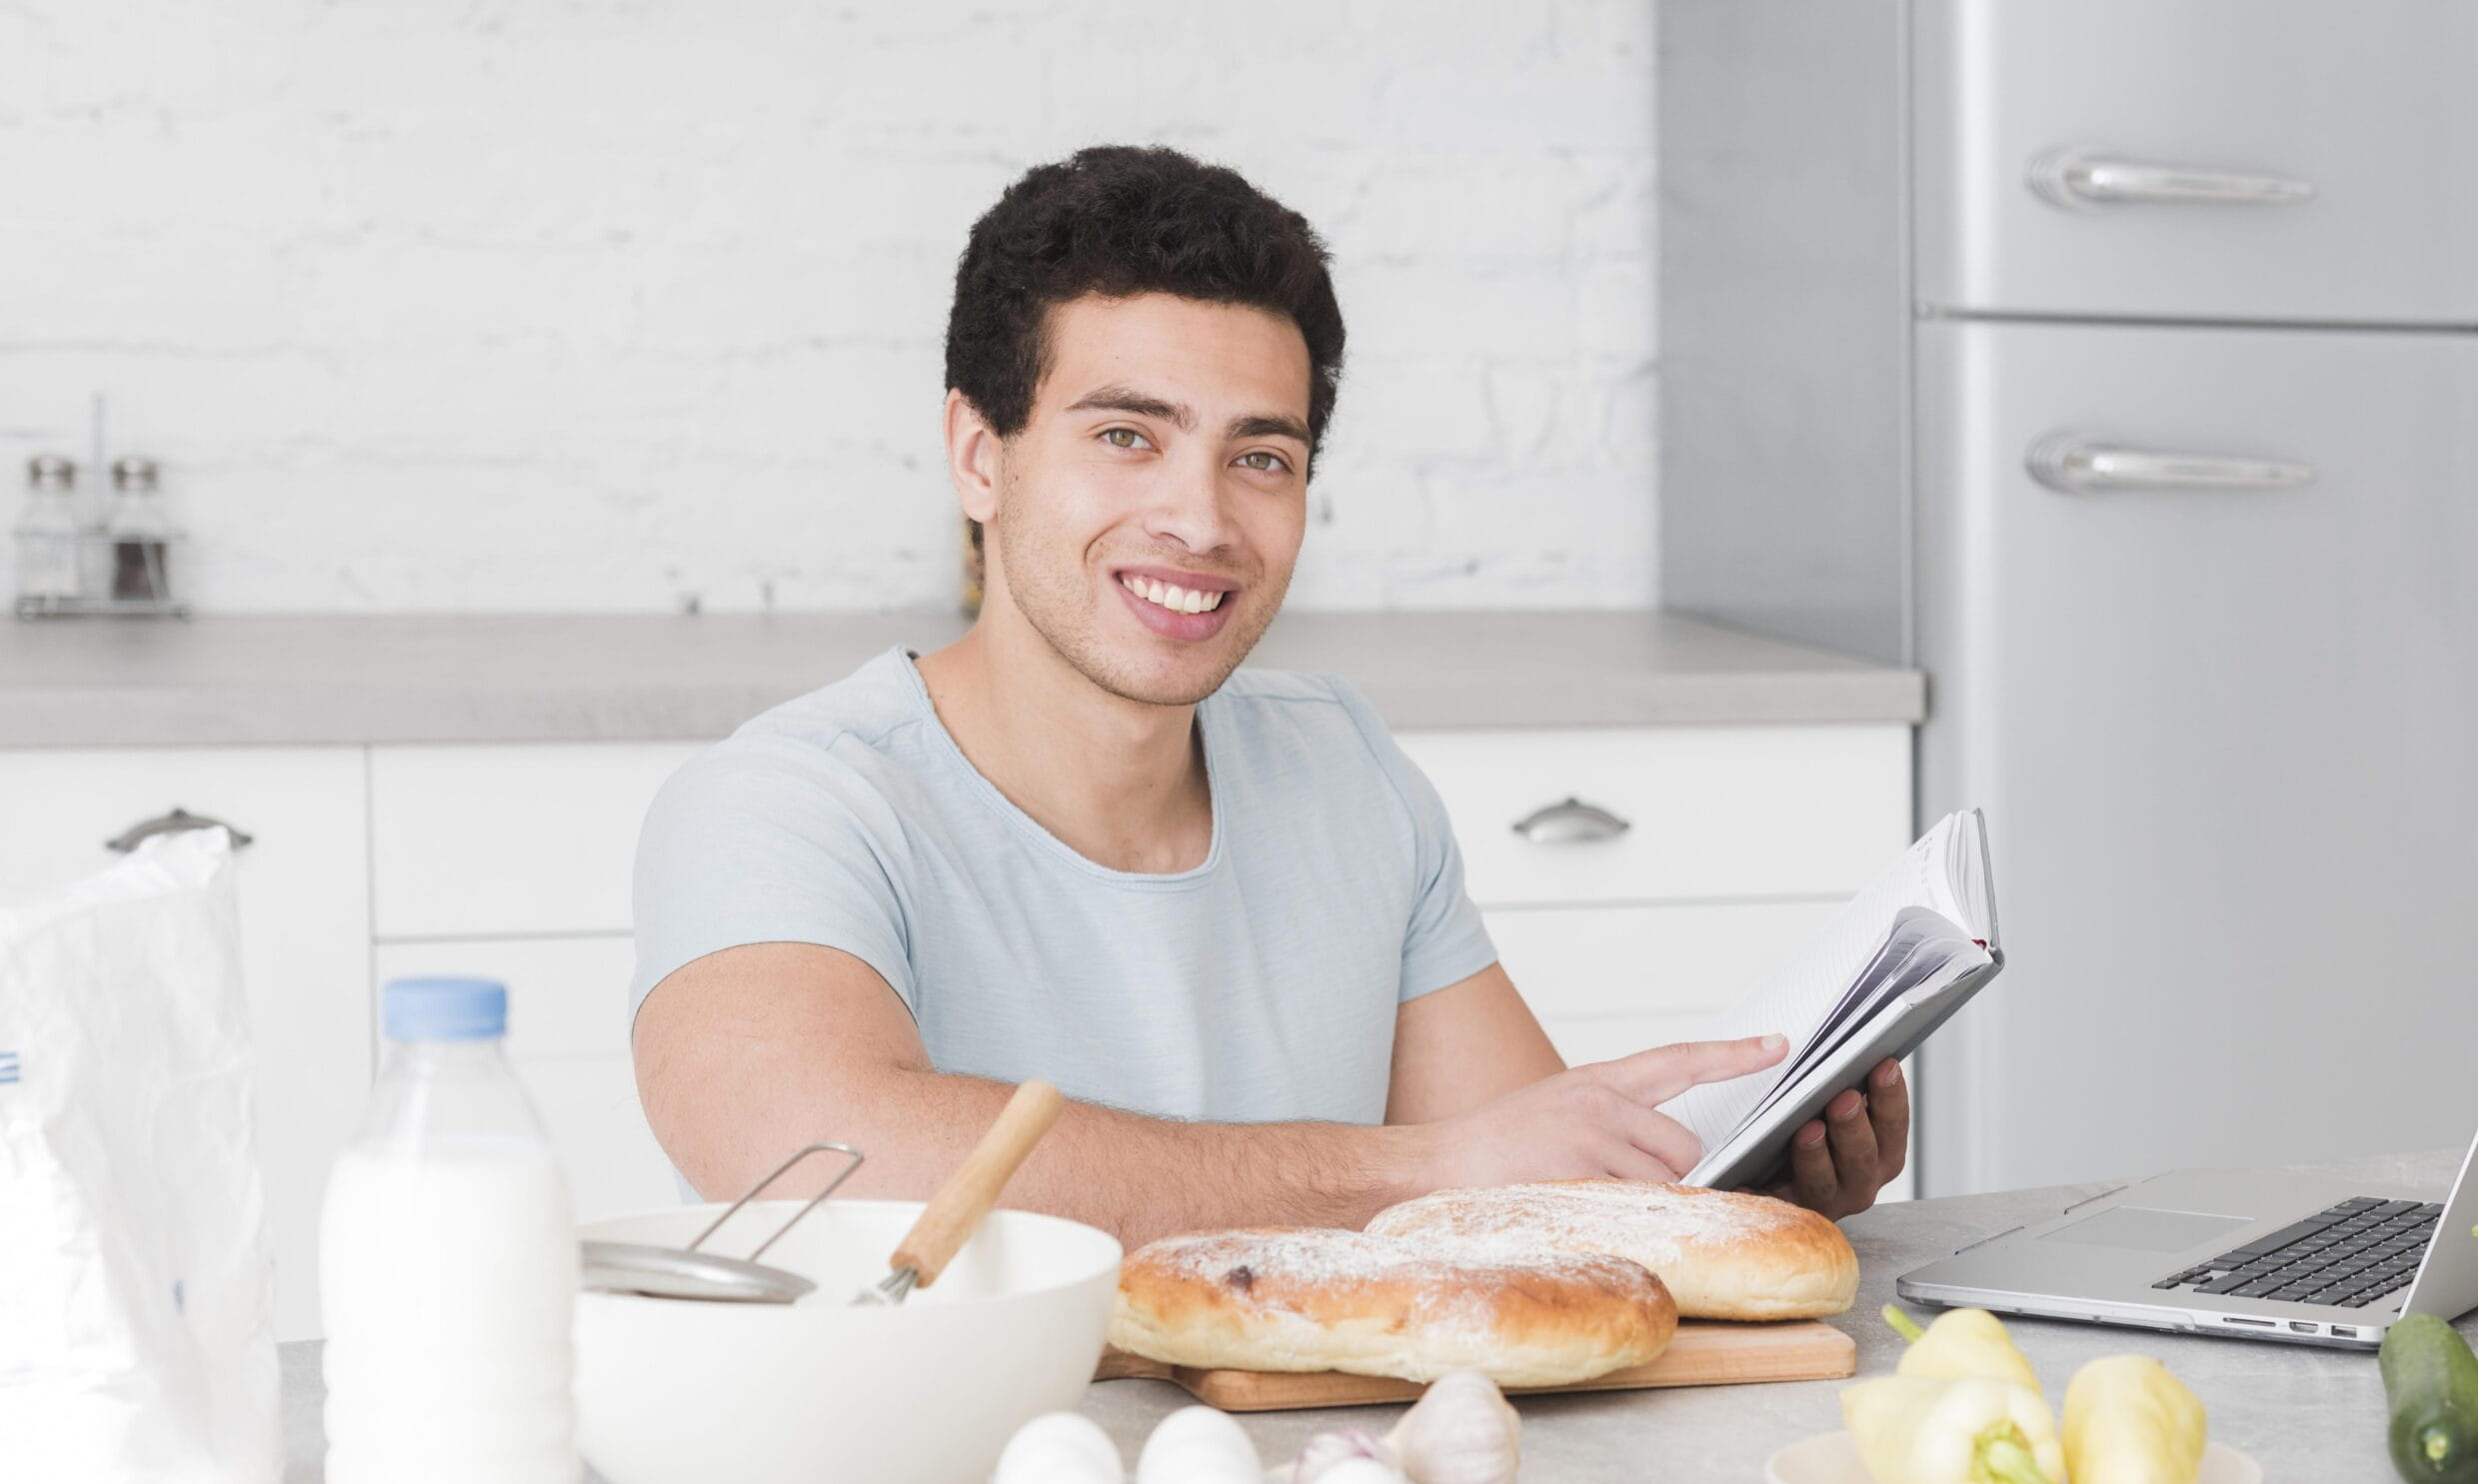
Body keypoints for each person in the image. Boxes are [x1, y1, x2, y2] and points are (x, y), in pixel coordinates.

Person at [629, 145, 1905, 1250]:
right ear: (980, 453)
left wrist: (1742, 1186)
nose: (1198, 519)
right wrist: (1417, 1168)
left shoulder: (1340, 770)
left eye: (1260, 456)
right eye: (1126, 435)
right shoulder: (783, 806)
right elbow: (820, 1167)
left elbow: (1529, 1191)